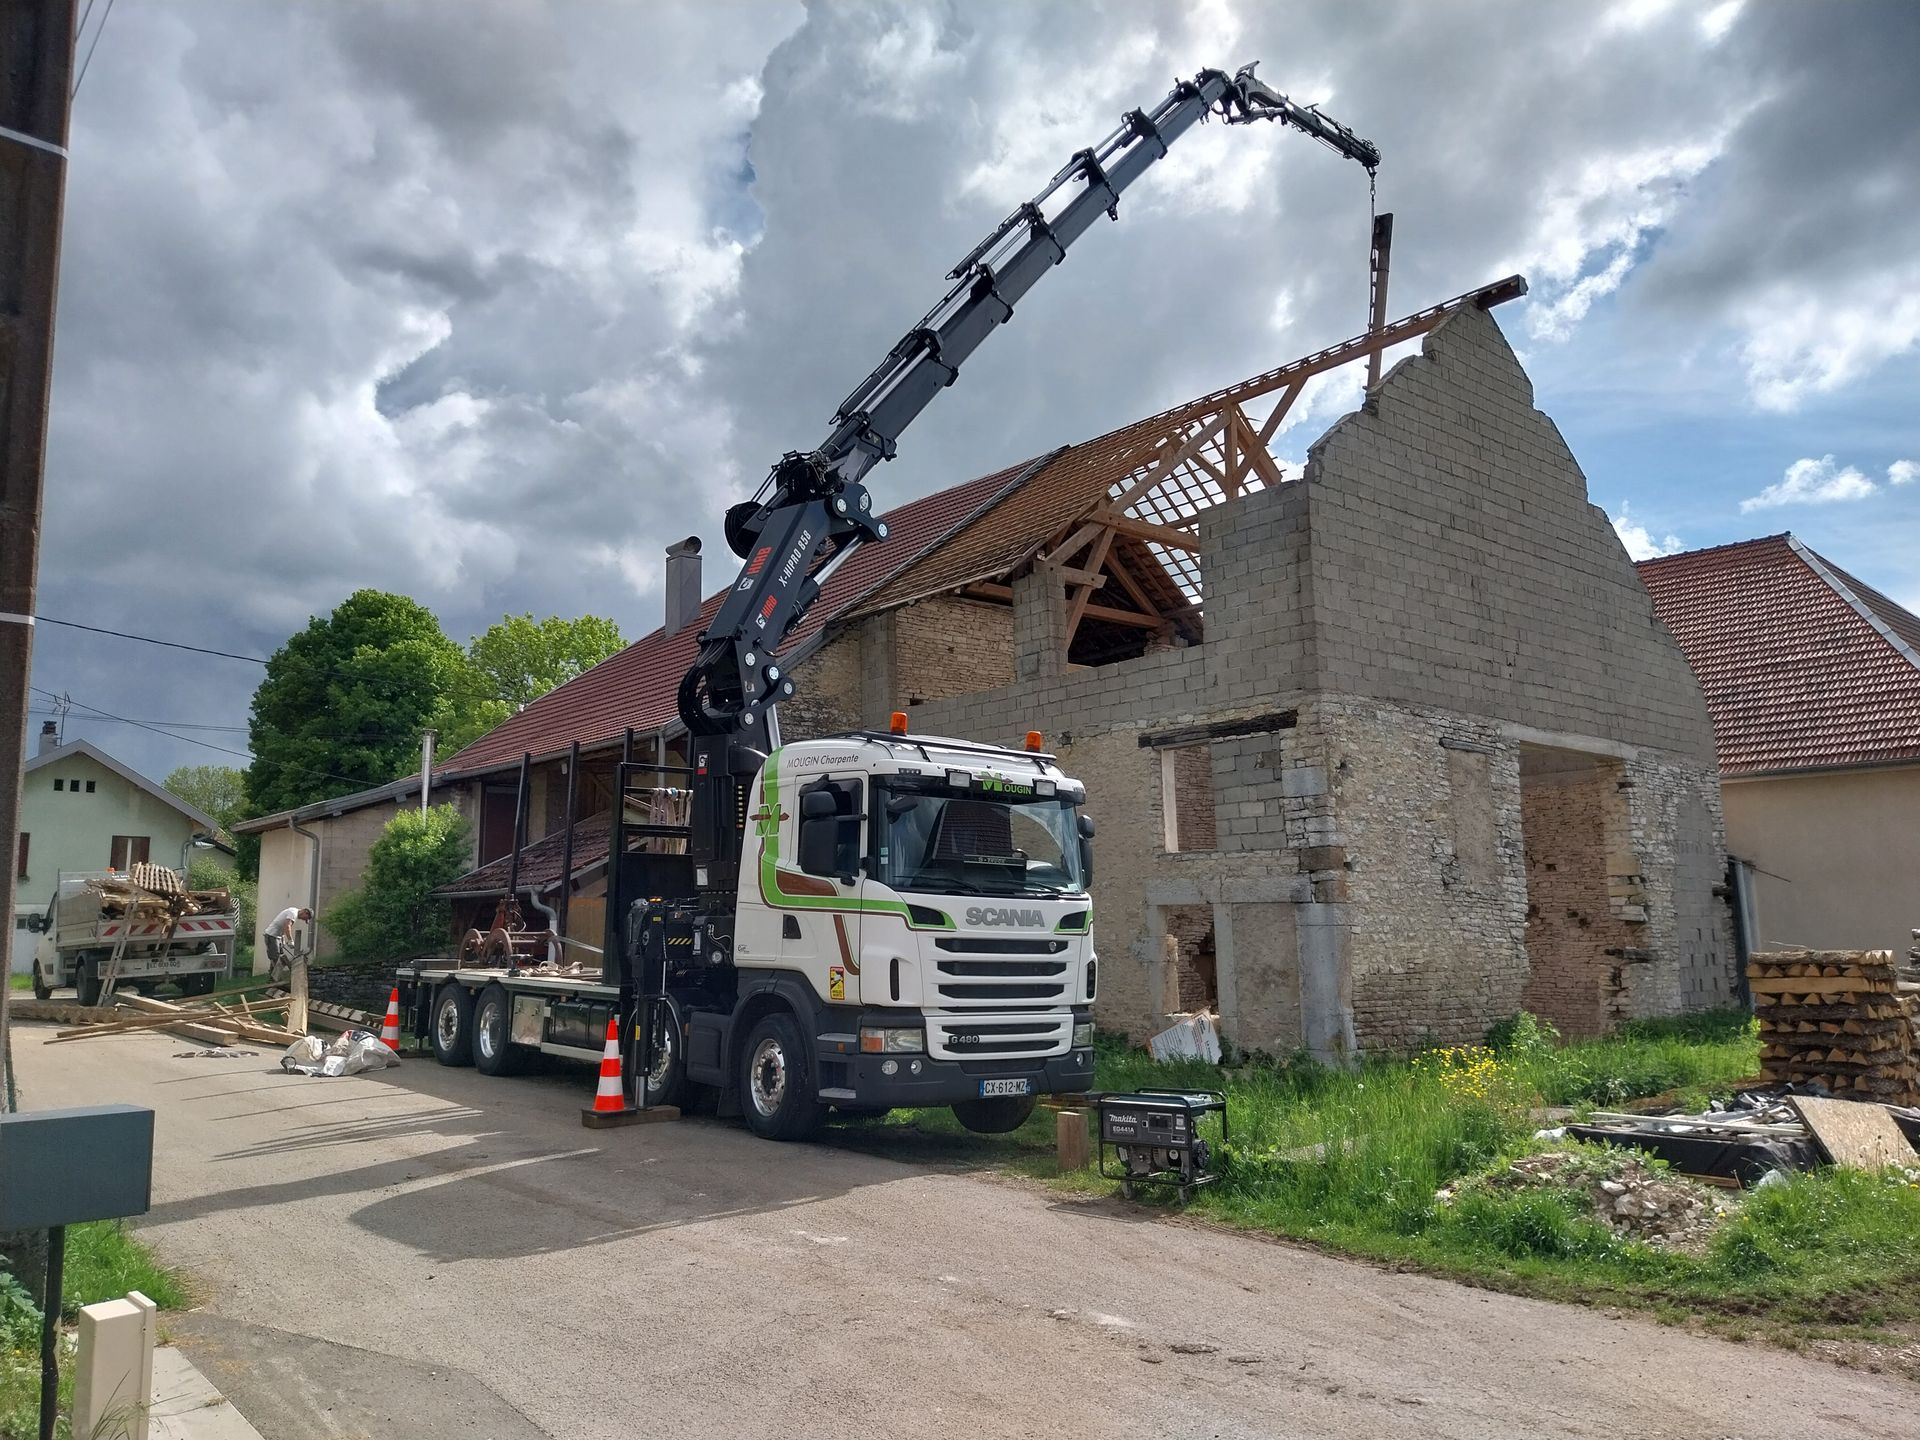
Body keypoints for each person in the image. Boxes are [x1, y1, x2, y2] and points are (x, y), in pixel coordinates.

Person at [264, 905, 313, 980]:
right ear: (305, 912)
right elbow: (287, 926)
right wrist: (290, 940)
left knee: (279, 957)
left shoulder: (294, 913)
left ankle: (272, 978)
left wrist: (283, 938)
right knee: (276, 958)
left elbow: (283, 926)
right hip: (272, 935)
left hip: (277, 937)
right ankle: (276, 979)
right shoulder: (293, 913)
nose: (303, 920)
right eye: (305, 918)